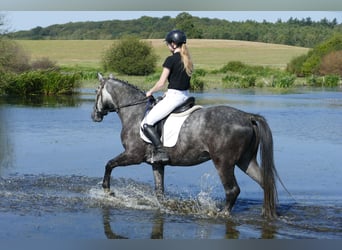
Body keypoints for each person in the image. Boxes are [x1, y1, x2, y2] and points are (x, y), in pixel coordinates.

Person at [141, 30, 194, 163]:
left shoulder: (170, 60)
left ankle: (161, 151)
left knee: (147, 123)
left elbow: (161, 83)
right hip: (185, 97)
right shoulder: (187, 60)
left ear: (174, 44)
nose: (167, 46)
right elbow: (181, 82)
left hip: (174, 98)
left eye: (168, 44)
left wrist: (150, 92)